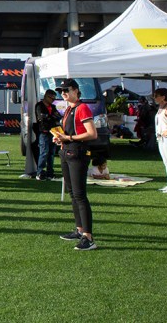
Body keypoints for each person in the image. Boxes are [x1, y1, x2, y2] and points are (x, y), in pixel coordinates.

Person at [53, 78, 98, 251]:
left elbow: (91, 133)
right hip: (67, 151)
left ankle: (88, 236)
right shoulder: (69, 109)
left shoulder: (82, 108)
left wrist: (68, 138)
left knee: (79, 195)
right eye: (61, 91)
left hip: (77, 152)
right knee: (73, 193)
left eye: (66, 90)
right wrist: (61, 138)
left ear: (75, 90)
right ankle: (80, 230)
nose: (63, 93)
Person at [34, 89, 62, 181]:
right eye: (51, 98)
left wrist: (50, 117)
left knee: (51, 154)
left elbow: (58, 116)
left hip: (53, 132)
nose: (52, 100)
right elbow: (42, 117)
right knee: (44, 152)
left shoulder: (53, 107)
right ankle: (40, 172)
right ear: (46, 96)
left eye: (54, 98)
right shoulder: (39, 105)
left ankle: (50, 173)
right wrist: (51, 117)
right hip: (44, 132)